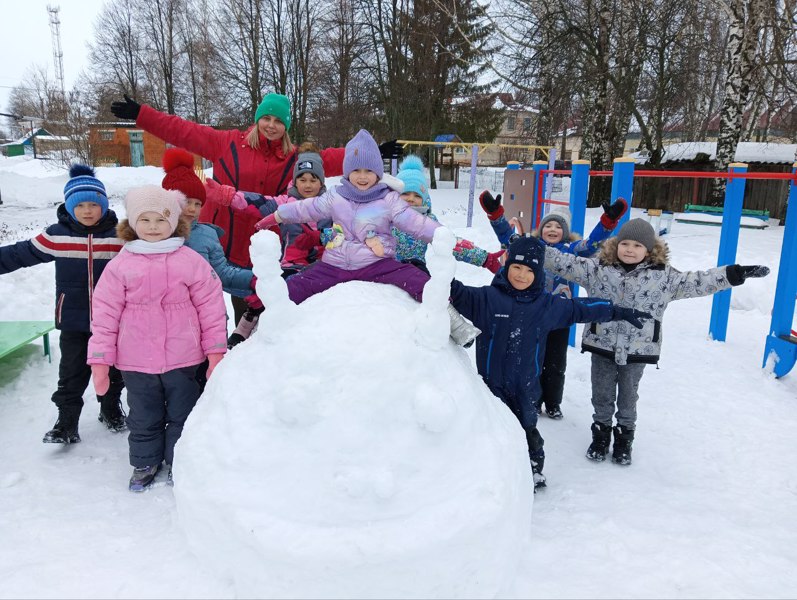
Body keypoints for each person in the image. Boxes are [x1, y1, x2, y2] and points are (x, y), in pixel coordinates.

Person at [111, 92, 366, 324]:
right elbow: (183, 131)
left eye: (278, 121)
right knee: (219, 310)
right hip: (224, 244)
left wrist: (369, 152)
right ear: (257, 120)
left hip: (265, 248)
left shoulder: (294, 158)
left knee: (265, 310)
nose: (271, 125)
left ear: (286, 126)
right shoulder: (227, 142)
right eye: (266, 118)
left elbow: (332, 159)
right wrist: (142, 115)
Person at [542, 218, 770, 465]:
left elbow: (698, 281)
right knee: (602, 394)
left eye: (637, 245)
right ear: (616, 245)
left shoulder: (664, 277)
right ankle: (601, 434)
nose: (630, 249)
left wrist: (733, 274)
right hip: (602, 343)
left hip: (639, 348)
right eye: (625, 243)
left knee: (628, 397)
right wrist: (530, 247)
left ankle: (624, 439)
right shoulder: (598, 268)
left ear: (649, 250)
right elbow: (563, 262)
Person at [449, 234, 651, 490]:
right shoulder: (486, 299)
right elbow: (452, 290)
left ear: (538, 273)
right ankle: (491, 472)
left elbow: (581, 308)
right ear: (507, 266)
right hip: (490, 386)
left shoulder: (546, 306)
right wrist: (420, 269)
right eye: (516, 268)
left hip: (525, 387)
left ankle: (533, 469)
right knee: (491, 431)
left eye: (529, 270)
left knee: (527, 431)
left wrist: (616, 310)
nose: (521, 275)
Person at [254, 129, 478, 345]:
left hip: (376, 263)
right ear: (347, 171)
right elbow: (305, 208)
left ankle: (455, 324)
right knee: (294, 286)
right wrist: (276, 216)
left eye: (369, 171)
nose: (362, 177)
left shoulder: (388, 200)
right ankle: (262, 330)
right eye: (357, 170)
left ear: (378, 173)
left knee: (419, 280)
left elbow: (415, 222)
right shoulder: (335, 197)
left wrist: (440, 234)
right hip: (335, 265)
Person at [88, 185, 228, 491]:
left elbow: (211, 307)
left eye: (161, 220)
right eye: (146, 220)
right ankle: (145, 461)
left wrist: (216, 350)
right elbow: (104, 315)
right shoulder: (120, 266)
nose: (153, 227)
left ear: (175, 223)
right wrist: (100, 359)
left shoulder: (190, 261)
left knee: (184, 412)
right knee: (144, 414)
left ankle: (181, 461)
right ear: (133, 224)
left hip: (184, 357)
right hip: (136, 361)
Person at [0, 165, 126, 444]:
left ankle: (110, 409)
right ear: (69, 207)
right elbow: (20, 254)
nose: (88, 210)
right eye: (79, 205)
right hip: (73, 319)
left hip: (114, 321)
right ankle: (66, 422)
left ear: (104, 204)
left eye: (94, 204)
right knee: (71, 372)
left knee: (115, 370)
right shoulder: (57, 236)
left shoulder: (120, 236)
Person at [479, 190, 628, 419]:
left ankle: (553, 401)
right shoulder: (531, 246)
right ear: (542, 229)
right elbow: (507, 238)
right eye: (549, 226)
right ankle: (533, 399)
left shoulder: (572, 251)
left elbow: (593, 243)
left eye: (558, 227)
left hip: (559, 314)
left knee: (556, 362)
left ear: (565, 233)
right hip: (532, 313)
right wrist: (496, 214)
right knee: (532, 360)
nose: (553, 230)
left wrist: (608, 222)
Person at [202, 143, 333, 346]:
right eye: (302, 179)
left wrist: (322, 238)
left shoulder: (332, 204)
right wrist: (227, 196)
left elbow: (345, 229)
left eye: (313, 180)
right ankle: (248, 321)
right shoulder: (286, 203)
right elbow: (256, 202)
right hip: (292, 264)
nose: (308, 185)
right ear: (295, 181)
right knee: (273, 286)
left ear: (321, 182)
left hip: (324, 264)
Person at [393, 156, 504, 276]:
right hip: (383, 274)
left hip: (415, 273)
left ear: (424, 199)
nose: (411, 199)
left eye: (417, 195)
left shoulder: (426, 222)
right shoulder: (386, 217)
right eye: (405, 193)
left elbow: (449, 242)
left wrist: (485, 259)